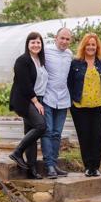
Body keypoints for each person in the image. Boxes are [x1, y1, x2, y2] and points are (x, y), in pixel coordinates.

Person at [67, 33, 101, 177]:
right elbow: (69, 83)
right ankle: (88, 167)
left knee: (97, 137)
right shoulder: (75, 63)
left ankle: (96, 167)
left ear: (97, 47)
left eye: (93, 45)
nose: (91, 47)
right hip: (80, 107)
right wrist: (70, 103)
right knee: (84, 136)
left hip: (100, 107)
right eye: (88, 44)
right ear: (84, 46)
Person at [8, 32, 48, 179]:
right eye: (33, 42)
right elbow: (24, 84)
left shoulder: (40, 60)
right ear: (28, 44)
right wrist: (36, 102)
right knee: (41, 126)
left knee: (31, 132)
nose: (36, 45)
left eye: (38, 42)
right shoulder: (22, 60)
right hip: (25, 100)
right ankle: (17, 152)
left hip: (36, 99)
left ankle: (31, 170)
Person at [42, 27, 73, 178]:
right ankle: (48, 166)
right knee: (47, 132)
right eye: (62, 38)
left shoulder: (69, 54)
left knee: (57, 133)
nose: (64, 41)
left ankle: (54, 164)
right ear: (56, 38)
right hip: (48, 97)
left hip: (63, 99)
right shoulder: (46, 51)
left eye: (67, 39)